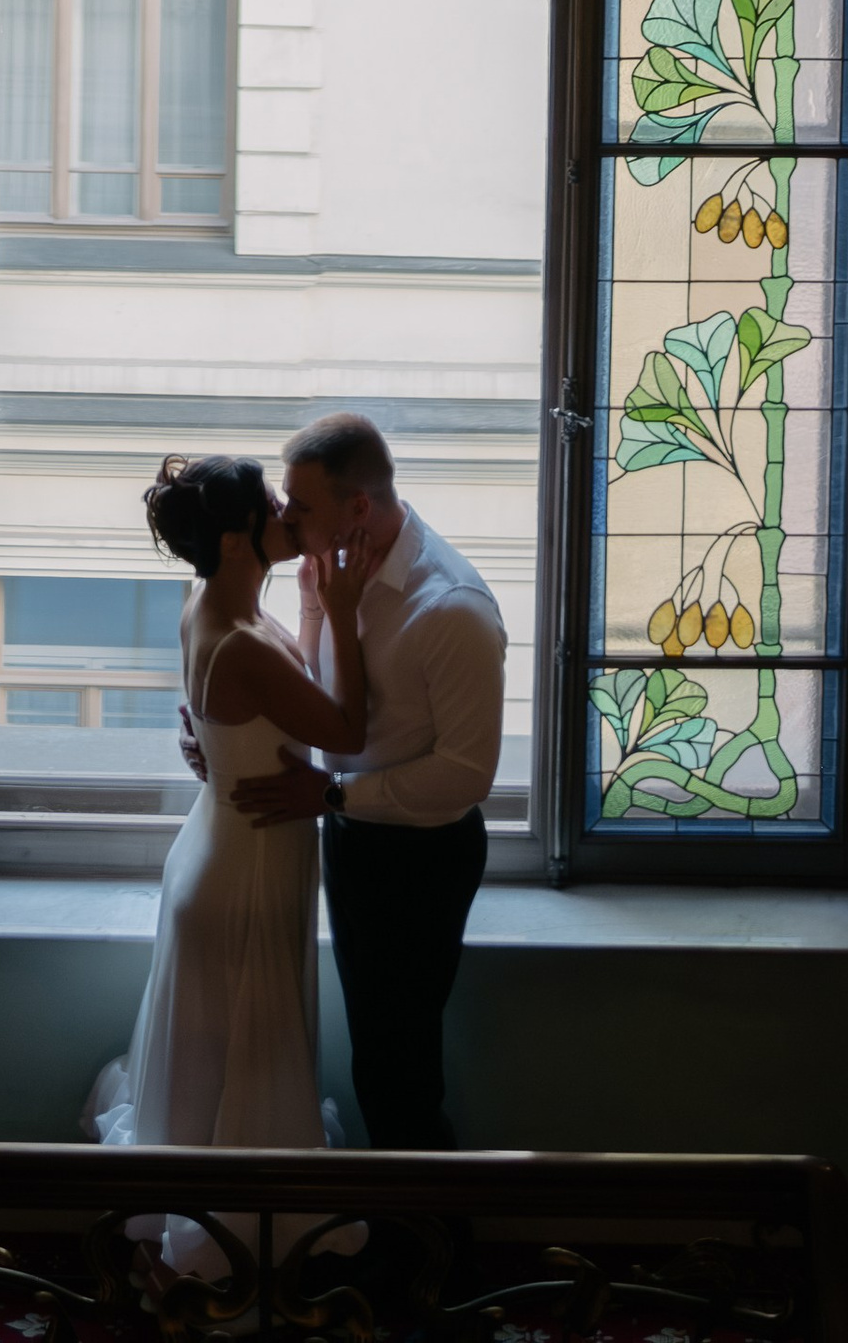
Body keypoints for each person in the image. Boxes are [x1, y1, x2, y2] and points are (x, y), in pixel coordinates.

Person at [88, 452, 381, 1265]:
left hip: (225, 841)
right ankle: (226, 1243)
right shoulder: (238, 638)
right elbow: (347, 730)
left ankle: (195, 1223)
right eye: (270, 507)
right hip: (242, 868)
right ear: (234, 542)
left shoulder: (213, 605)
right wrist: (348, 611)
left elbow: (232, 713)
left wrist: (315, 606)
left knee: (219, 1057)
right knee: (240, 1052)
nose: (288, 512)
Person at [228, 412, 505, 1151]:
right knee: (374, 1058)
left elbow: (468, 774)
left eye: (301, 505)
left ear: (359, 509)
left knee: (400, 1068)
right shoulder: (337, 575)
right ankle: (399, 1231)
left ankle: (433, 1250)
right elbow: (324, 693)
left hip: (421, 857)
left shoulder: (451, 610)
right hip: (352, 836)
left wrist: (331, 797)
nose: (284, 517)